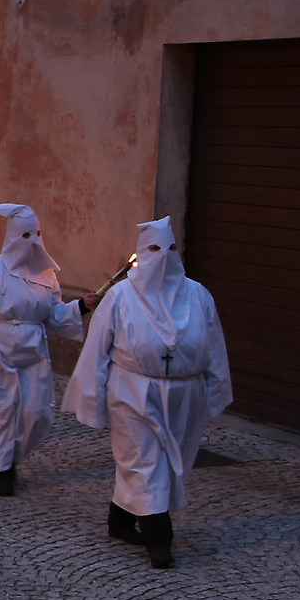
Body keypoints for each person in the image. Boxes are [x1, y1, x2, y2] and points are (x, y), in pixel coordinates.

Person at [65, 217, 233, 568]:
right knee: (145, 460)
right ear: (142, 254)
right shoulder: (121, 297)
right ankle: (160, 538)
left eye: (170, 249)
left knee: (169, 464)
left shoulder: (198, 295)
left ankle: (120, 519)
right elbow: (96, 348)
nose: (163, 257)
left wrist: (216, 391)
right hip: (133, 390)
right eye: (155, 249)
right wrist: (92, 397)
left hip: (186, 393)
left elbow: (215, 346)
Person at [0, 203, 84, 497]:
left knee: (36, 411)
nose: (31, 242)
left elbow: (54, 316)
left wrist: (82, 306)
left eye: (36, 234)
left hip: (33, 350)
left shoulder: (46, 275)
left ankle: (10, 458)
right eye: (25, 235)